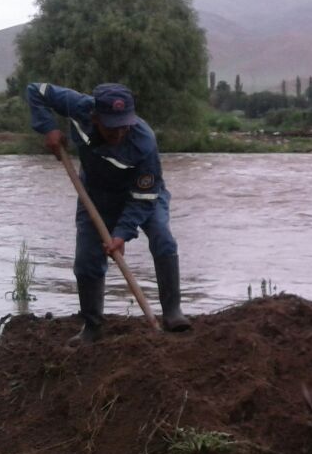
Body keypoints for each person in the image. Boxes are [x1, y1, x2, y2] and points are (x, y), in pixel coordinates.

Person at [26, 82, 190, 342]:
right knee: (86, 259)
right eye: (112, 126)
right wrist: (49, 128)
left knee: (163, 237)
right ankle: (92, 326)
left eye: (124, 125)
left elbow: (143, 200)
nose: (119, 132)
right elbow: (36, 90)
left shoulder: (144, 142)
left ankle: (172, 312)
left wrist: (121, 234)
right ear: (94, 116)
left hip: (142, 195)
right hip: (95, 194)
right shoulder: (77, 106)